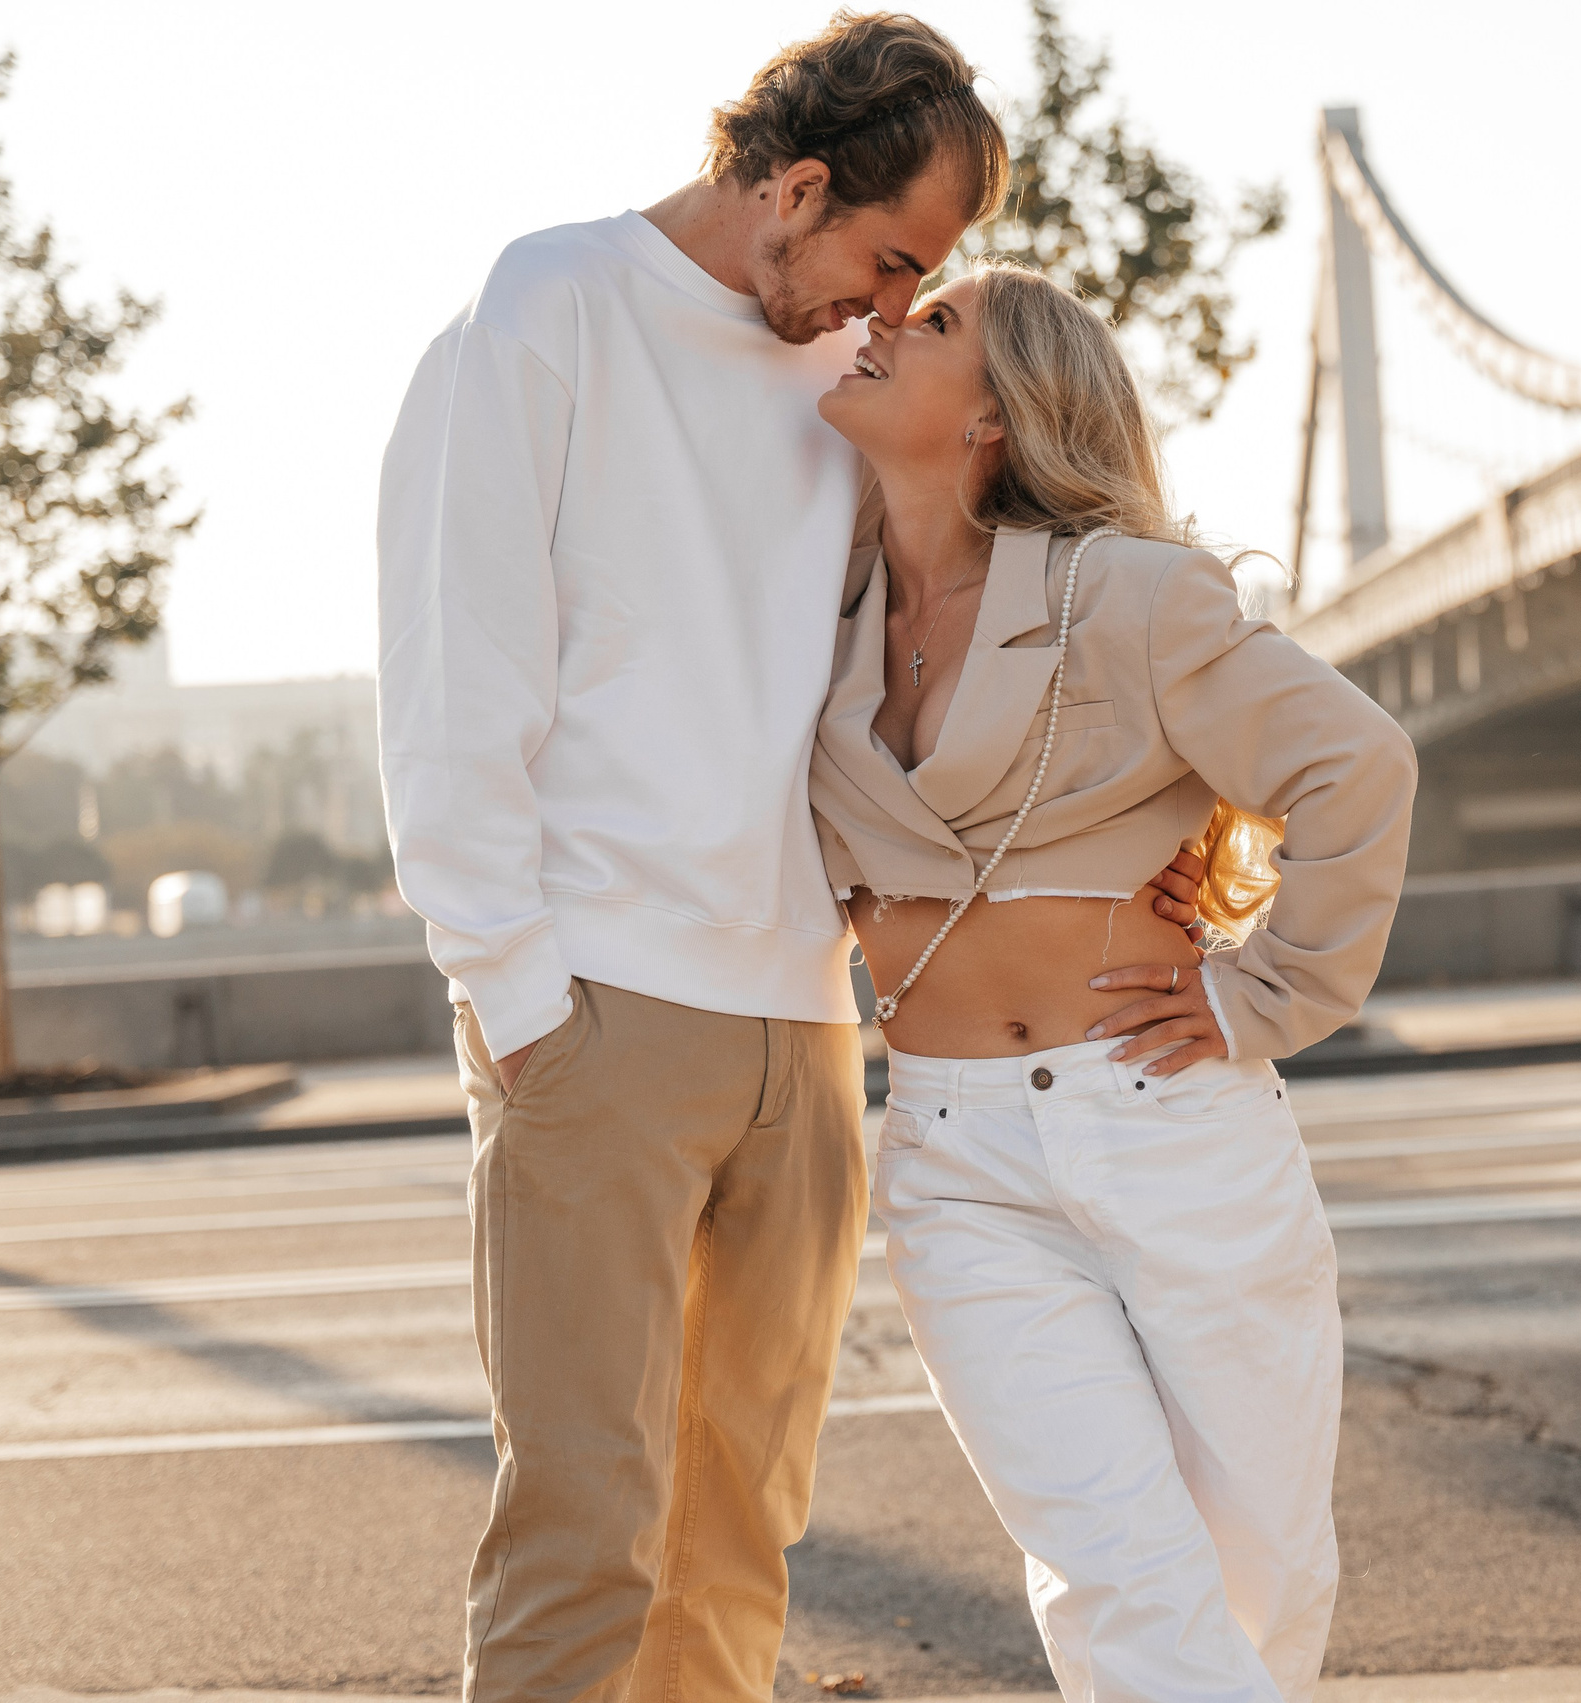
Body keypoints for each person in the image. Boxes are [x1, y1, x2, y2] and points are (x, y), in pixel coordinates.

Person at [377, 18, 1196, 1702]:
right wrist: (517, 1002)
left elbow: (978, 626)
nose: (892, 308)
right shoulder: (554, 307)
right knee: (584, 1528)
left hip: (805, 1028)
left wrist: (1171, 832)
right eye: (890, 259)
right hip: (595, 1003)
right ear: (798, 183)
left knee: (740, 1530)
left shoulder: (847, 382)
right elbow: (454, 679)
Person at [809, 260, 1420, 1703]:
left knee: (1260, 1573)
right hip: (955, 1159)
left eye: (938, 321)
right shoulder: (810, 618)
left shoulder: (1130, 597)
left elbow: (1357, 763)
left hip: (1166, 1122)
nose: (889, 322)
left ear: (998, 421)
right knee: (1118, 1571)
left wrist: (1264, 996)